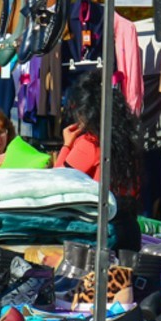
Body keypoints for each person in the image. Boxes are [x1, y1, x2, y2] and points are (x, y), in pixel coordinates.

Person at [56, 71, 142, 251]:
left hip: (101, 232)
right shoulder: (125, 142)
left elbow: (57, 181)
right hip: (130, 228)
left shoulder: (89, 144)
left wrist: (66, 145)